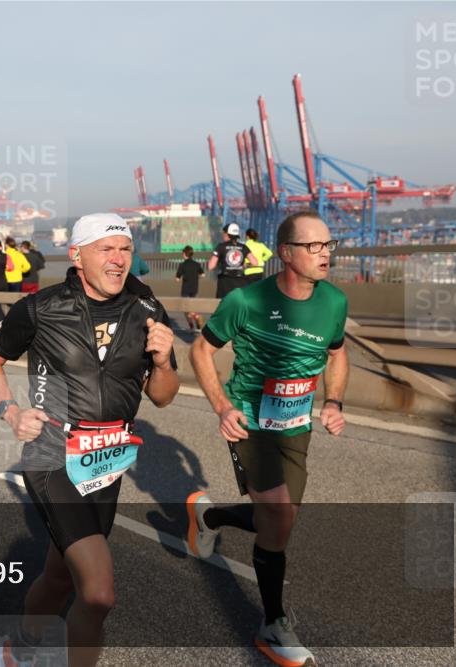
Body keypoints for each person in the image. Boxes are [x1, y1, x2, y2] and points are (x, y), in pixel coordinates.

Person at [0, 213, 178, 667]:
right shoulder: (41, 308)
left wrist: (164, 362)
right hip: (53, 455)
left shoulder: (147, 312)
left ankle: (18, 648)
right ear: (77, 255)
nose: (118, 259)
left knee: (60, 575)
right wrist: (10, 411)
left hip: (107, 461)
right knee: (99, 593)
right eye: (106, 249)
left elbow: (163, 397)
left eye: (125, 249)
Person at [188, 210, 348, 667]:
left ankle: (209, 516)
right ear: (285, 254)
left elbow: (338, 353)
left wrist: (333, 402)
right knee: (277, 518)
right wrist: (223, 407)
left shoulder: (334, 302)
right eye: (313, 247)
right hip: (252, 422)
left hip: (295, 425)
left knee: (279, 521)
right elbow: (201, 348)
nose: (324, 255)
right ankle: (273, 624)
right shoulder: (247, 300)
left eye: (328, 246)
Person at [207, 222, 258, 299]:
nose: (223, 235)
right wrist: (244, 265)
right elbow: (255, 263)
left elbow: (210, 266)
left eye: (224, 233)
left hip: (225, 282)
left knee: (224, 306)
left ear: (227, 234)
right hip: (240, 282)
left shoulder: (221, 246)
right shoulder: (243, 247)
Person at [175, 245, 205, 330]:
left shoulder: (182, 265)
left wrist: (180, 277)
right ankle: (195, 324)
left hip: (185, 290)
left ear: (184, 254)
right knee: (193, 307)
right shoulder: (197, 264)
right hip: (195, 289)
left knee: (186, 309)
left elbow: (177, 279)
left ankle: (195, 319)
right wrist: (195, 277)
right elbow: (203, 275)